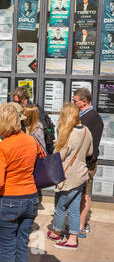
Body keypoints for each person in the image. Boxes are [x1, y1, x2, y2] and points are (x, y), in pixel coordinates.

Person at [0, 103, 41, 262]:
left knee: (7, 246)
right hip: (31, 198)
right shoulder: (32, 140)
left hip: (8, 200)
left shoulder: (2, 147)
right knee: (22, 244)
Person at [46, 103, 93, 250]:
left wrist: (56, 146)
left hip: (67, 177)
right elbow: (90, 152)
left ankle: (56, 232)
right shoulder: (86, 131)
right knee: (73, 209)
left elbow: (58, 157)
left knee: (60, 207)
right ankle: (73, 238)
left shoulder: (68, 134)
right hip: (81, 175)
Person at [72, 88, 104, 238]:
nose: (74, 102)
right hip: (79, 163)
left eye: (75, 100)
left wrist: (89, 166)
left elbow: (94, 145)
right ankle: (77, 223)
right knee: (78, 194)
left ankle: (81, 226)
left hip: (87, 164)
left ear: (84, 101)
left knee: (85, 195)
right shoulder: (82, 115)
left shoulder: (94, 118)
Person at [13, 86, 55, 155]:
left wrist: (47, 131)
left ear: (25, 99)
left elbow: (49, 128)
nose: (17, 104)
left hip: (41, 149)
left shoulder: (35, 110)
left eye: (19, 102)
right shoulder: (17, 111)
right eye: (15, 102)